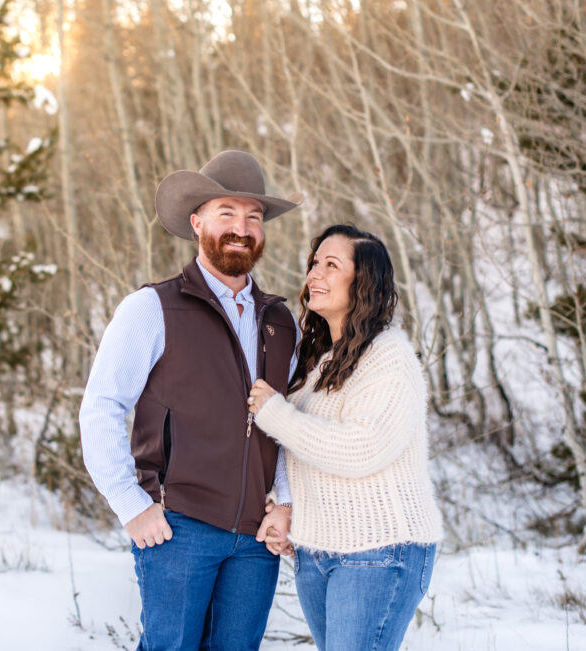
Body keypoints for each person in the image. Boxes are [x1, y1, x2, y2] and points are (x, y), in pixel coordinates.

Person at [79, 150, 301, 650]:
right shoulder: (152, 308)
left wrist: (283, 503)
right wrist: (131, 503)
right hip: (179, 526)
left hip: (255, 538)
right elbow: (102, 406)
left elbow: (289, 423)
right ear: (197, 221)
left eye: (254, 216)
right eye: (227, 213)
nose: (241, 227)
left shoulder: (281, 322)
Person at [248, 224, 443, 651]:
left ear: (364, 283)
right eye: (314, 263)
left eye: (331, 265)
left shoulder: (389, 357)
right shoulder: (317, 363)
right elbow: (301, 450)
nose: (315, 273)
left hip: (380, 550)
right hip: (316, 553)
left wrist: (274, 413)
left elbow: (361, 449)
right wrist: (285, 506)